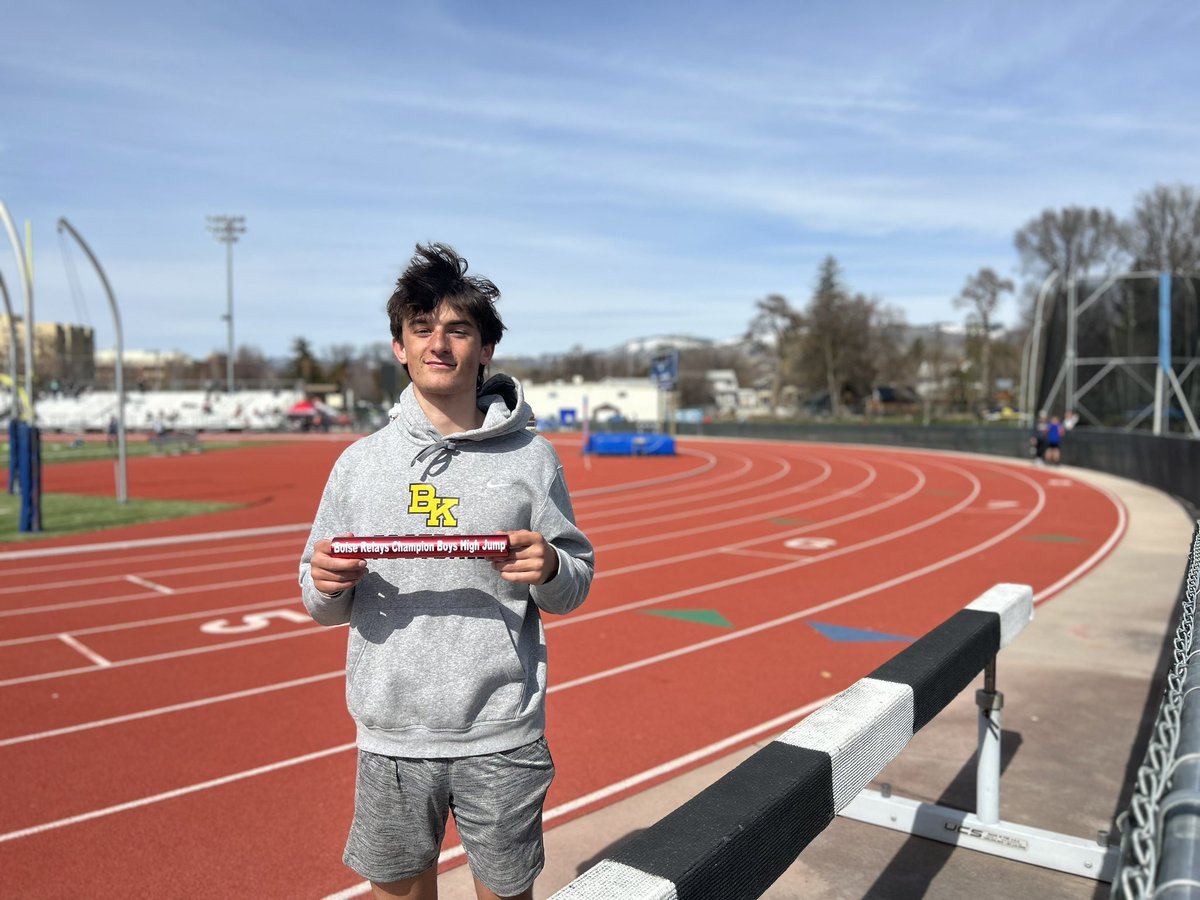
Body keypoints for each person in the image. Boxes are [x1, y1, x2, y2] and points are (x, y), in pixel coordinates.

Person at [299, 243, 594, 900]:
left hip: (501, 733)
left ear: (485, 348)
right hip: (392, 735)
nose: (440, 343)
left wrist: (549, 568)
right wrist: (324, 582)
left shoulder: (532, 460)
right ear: (399, 347)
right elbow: (317, 601)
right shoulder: (358, 464)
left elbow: (574, 585)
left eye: (458, 329)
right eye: (422, 329)